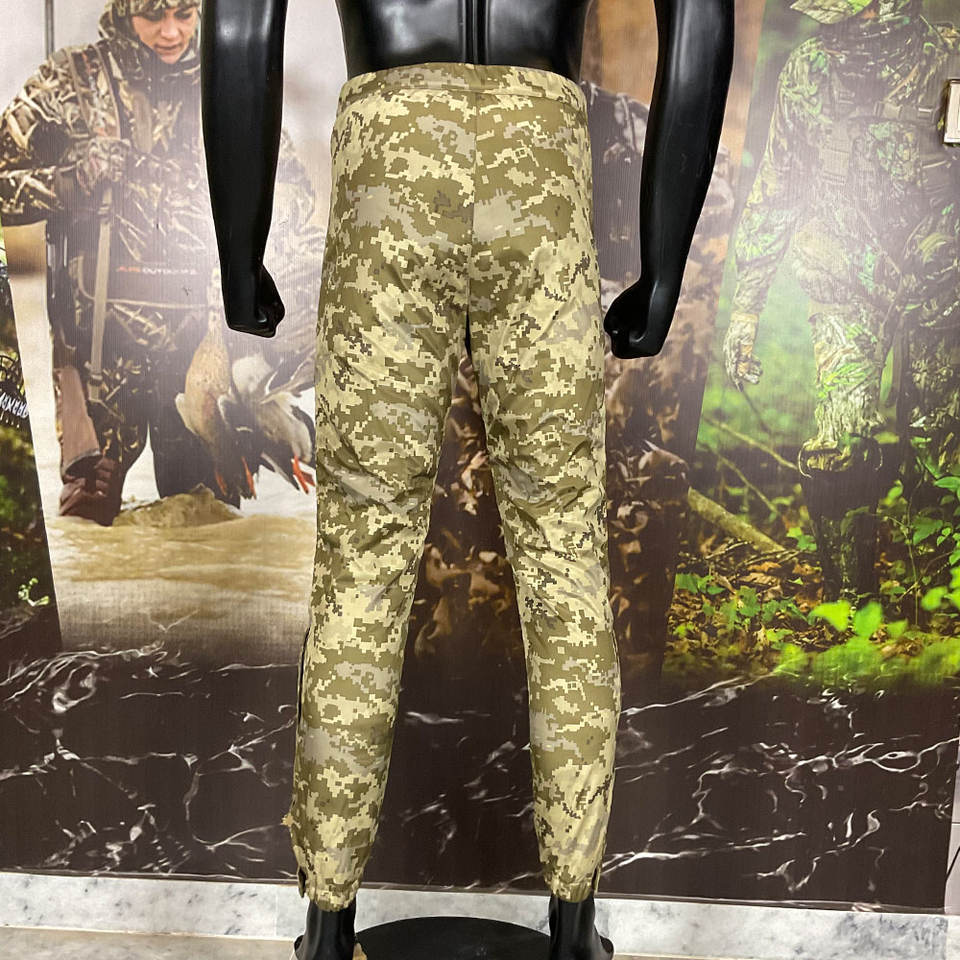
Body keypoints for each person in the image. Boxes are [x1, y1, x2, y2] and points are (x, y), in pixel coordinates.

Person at [0, 0, 320, 525]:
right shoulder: (71, 81)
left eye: (184, 14)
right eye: (153, 17)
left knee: (204, 528)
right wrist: (70, 180)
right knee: (87, 528)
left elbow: (292, 203)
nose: (171, 32)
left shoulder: (227, 83)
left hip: (199, 358)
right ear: (124, 10)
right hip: (99, 361)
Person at [723, 0, 960, 602]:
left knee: (939, 444)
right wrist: (746, 308)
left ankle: (940, 601)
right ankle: (853, 609)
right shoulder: (808, 71)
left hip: (941, 280)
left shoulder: (948, 60)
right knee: (839, 440)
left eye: (853, 13)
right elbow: (778, 188)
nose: (837, 26)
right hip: (845, 280)